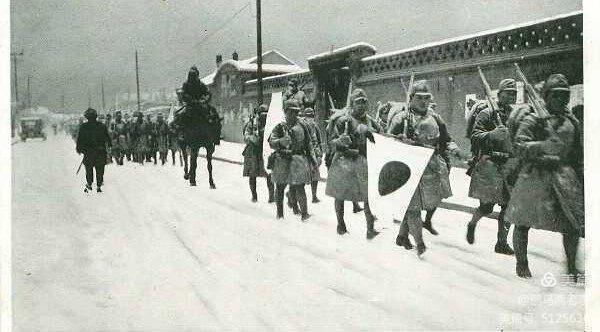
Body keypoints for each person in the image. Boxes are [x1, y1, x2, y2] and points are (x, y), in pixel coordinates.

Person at [506, 74, 584, 280]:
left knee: (572, 223)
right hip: (535, 175)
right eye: (556, 95)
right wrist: (541, 146)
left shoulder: (572, 122)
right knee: (522, 222)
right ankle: (522, 264)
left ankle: (571, 267)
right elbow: (518, 146)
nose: (561, 100)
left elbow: (578, 153)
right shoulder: (534, 119)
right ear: (547, 96)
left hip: (564, 177)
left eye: (565, 96)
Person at [387, 80, 458, 255]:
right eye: (419, 98)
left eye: (427, 98)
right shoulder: (401, 118)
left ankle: (402, 236)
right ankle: (420, 243)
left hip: (430, 167)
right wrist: (400, 141)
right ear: (411, 99)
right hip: (408, 167)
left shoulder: (435, 117)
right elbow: (387, 142)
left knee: (420, 204)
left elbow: (445, 139)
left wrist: (454, 148)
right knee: (413, 207)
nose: (423, 102)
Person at [465, 79, 519, 255]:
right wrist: (492, 134)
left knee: (508, 206)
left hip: (508, 166)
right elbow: (475, 135)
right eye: (508, 92)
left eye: (514, 93)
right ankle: (472, 223)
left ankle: (501, 243)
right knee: (487, 206)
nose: (512, 96)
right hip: (489, 165)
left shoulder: (515, 116)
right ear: (499, 94)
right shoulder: (486, 113)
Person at [326, 88, 380, 239]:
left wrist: (372, 133)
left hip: (363, 161)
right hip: (344, 161)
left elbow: (380, 137)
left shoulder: (371, 121)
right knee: (340, 194)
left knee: (368, 196)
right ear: (352, 104)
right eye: (358, 102)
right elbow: (332, 142)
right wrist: (343, 141)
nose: (362, 105)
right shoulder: (344, 121)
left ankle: (370, 229)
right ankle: (340, 224)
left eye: (364, 102)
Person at [268, 99, 314, 220]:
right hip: (282, 160)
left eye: (296, 112)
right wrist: (280, 141)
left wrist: (313, 159)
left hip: (297, 160)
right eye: (291, 112)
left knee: (299, 187)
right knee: (280, 187)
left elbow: (309, 143)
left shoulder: (303, 126)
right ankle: (280, 214)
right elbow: (271, 141)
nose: (293, 115)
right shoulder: (279, 127)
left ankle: (304, 213)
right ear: (285, 112)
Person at [242, 104, 274, 202]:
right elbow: (246, 135)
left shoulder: (270, 124)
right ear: (259, 114)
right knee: (252, 174)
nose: (264, 116)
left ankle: (271, 197)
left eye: (266, 114)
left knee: (269, 173)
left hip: (265, 150)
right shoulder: (252, 123)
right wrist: (253, 138)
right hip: (253, 151)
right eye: (263, 114)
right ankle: (254, 196)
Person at [76, 108, 111, 193]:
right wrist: (109, 146)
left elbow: (80, 140)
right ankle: (99, 184)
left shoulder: (84, 127)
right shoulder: (102, 126)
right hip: (100, 151)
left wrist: (79, 149)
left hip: (89, 152)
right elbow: (107, 139)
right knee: (100, 169)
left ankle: (89, 183)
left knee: (89, 169)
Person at [299, 107, 324, 203]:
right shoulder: (302, 125)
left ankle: (314, 196)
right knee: (302, 178)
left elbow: (319, 140)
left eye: (312, 116)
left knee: (315, 176)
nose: (310, 118)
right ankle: (292, 194)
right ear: (305, 116)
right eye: (308, 116)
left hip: (314, 154)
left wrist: (320, 154)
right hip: (305, 154)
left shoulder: (315, 126)